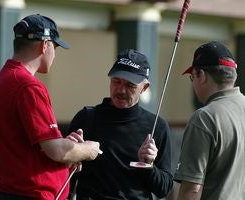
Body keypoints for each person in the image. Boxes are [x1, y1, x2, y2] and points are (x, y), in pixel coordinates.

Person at [0, 14, 102, 200]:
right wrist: (87, 150)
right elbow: (56, 151)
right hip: (27, 195)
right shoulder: (28, 86)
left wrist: (69, 147)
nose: (54, 53)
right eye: (55, 47)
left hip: (4, 192)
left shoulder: (2, 79)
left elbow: (30, 144)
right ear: (45, 45)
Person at [67, 49, 173, 199]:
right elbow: (63, 175)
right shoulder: (86, 118)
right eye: (116, 81)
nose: (121, 90)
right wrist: (70, 157)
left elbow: (164, 189)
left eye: (130, 85)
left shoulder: (158, 127)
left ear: (144, 87)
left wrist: (149, 167)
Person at [174, 41, 245, 200]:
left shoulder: (204, 118)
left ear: (202, 76)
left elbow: (192, 190)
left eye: (192, 76)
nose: (193, 82)